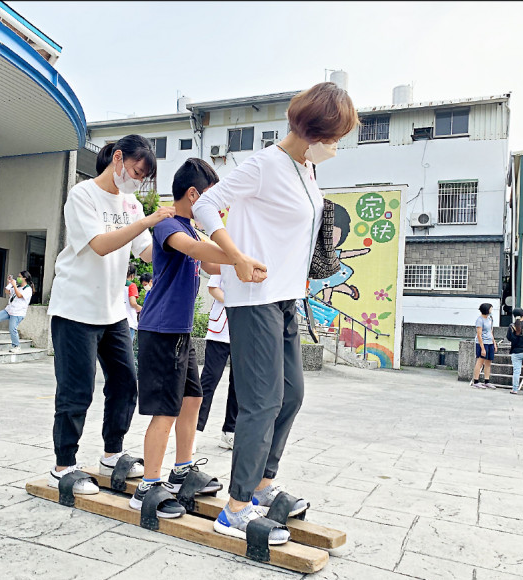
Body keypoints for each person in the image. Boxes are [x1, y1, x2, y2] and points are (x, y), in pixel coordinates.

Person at [193, 81, 359, 542]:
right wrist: (236, 257)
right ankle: (236, 506)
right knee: (262, 400)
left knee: (292, 395)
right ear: (316, 130)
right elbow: (207, 205)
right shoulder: (265, 164)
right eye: (335, 136)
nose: (337, 145)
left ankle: (264, 483)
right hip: (255, 297)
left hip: (287, 296)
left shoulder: (305, 169)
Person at [45, 135, 176, 496]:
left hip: (112, 312)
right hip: (74, 308)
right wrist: (149, 218)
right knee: (76, 390)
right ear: (117, 158)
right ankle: (63, 466)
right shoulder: (83, 195)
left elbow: (146, 251)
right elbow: (101, 245)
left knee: (124, 384)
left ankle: (110, 454)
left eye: (143, 178)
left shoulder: (132, 204)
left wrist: (182, 243)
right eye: (135, 171)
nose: (136, 181)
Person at [129, 158, 230, 519]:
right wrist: (238, 255)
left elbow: (216, 264)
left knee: (192, 399)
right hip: (160, 331)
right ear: (193, 194)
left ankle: (181, 469)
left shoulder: (190, 227)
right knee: (166, 410)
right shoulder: (170, 225)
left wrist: (248, 256)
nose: (215, 210)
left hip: (181, 332)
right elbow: (197, 252)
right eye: (212, 201)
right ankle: (148, 487)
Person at [195, 273, 238, 450]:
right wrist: (234, 303)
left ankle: (230, 432)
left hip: (244, 332)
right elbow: (213, 288)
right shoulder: (224, 257)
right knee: (209, 380)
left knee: (238, 384)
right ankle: (194, 431)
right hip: (219, 332)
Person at [471, 303, 498, 389]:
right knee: (480, 361)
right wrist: (482, 348)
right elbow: (479, 335)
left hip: (490, 342)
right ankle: (476, 380)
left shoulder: (489, 319)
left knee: (488, 362)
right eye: (490, 309)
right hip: (482, 342)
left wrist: (494, 343)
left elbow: (490, 331)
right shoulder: (480, 320)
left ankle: (487, 381)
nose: (491, 311)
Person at [124, 263, 141, 342]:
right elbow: (133, 303)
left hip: (115, 320)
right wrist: (143, 309)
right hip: (129, 321)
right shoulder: (131, 286)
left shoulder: (116, 284)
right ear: (132, 275)